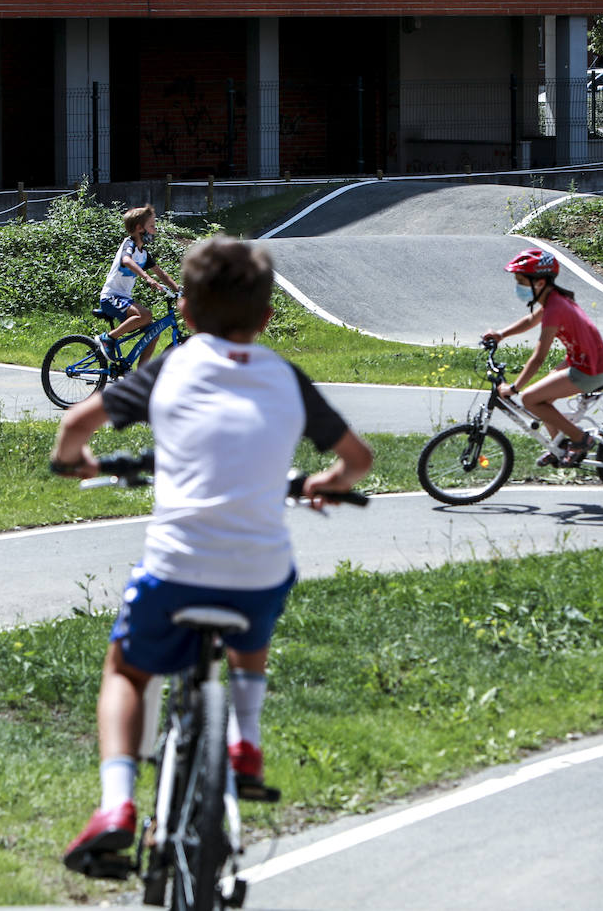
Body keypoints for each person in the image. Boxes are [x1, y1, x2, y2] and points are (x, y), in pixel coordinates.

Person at [52, 235, 374, 874]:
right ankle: (245, 742)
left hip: (175, 572)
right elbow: (357, 460)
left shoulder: (171, 367)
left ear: (188, 315)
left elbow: (73, 428)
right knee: (255, 609)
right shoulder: (285, 375)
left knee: (126, 669)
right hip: (259, 575)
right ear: (266, 316)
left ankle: (117, 806)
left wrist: (73, 464)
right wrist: (322, 484)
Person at [482, 248, 603, 467]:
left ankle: (580, 439)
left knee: (529, 399)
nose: (519, 287)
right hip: (583, 361)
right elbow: (530, 320)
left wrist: (514, 388)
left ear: (540, 282)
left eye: (522, 281)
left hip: (589, 369)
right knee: (543, 399)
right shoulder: (554, 299)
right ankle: (559, 447)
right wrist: (501, 335)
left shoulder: (556, 307)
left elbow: (539, 356)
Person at [95, 205, 181, 368]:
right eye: (152, 227)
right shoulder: (130, 244)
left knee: (153, 333)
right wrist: (147, 278)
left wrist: (179, 291)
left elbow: (162, 275)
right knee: (146, 315)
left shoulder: (144, 254)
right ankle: (108, 338)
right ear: (139, 228)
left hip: (123, 299)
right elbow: (126, 260)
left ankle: (141, 376)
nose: (154, 231)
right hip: (111, 297)